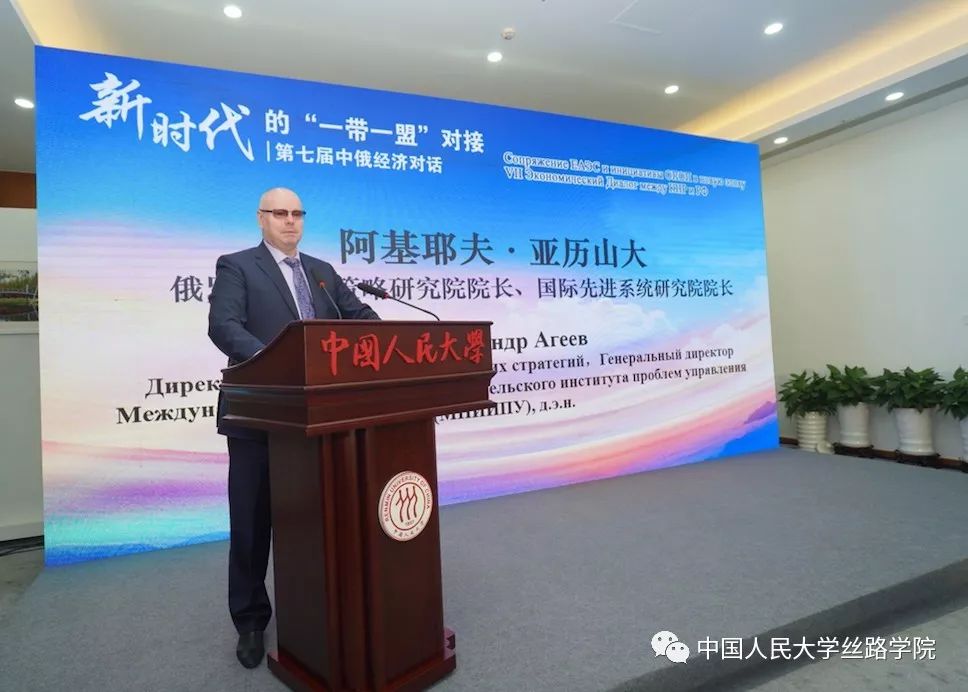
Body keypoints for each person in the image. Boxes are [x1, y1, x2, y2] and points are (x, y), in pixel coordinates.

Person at [207, 187, 380, 668]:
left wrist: (378, 340)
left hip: (321, 417)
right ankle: (250, 620)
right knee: (252, 521)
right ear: (260, 218)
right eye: (280, 213)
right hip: (259, 414)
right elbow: (224, 326)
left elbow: (362, 317)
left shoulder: (322, 272)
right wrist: (277, 362)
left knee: (317, 518)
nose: (290, 221)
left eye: (297, 213)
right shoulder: (237, 266)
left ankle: (318, 606)